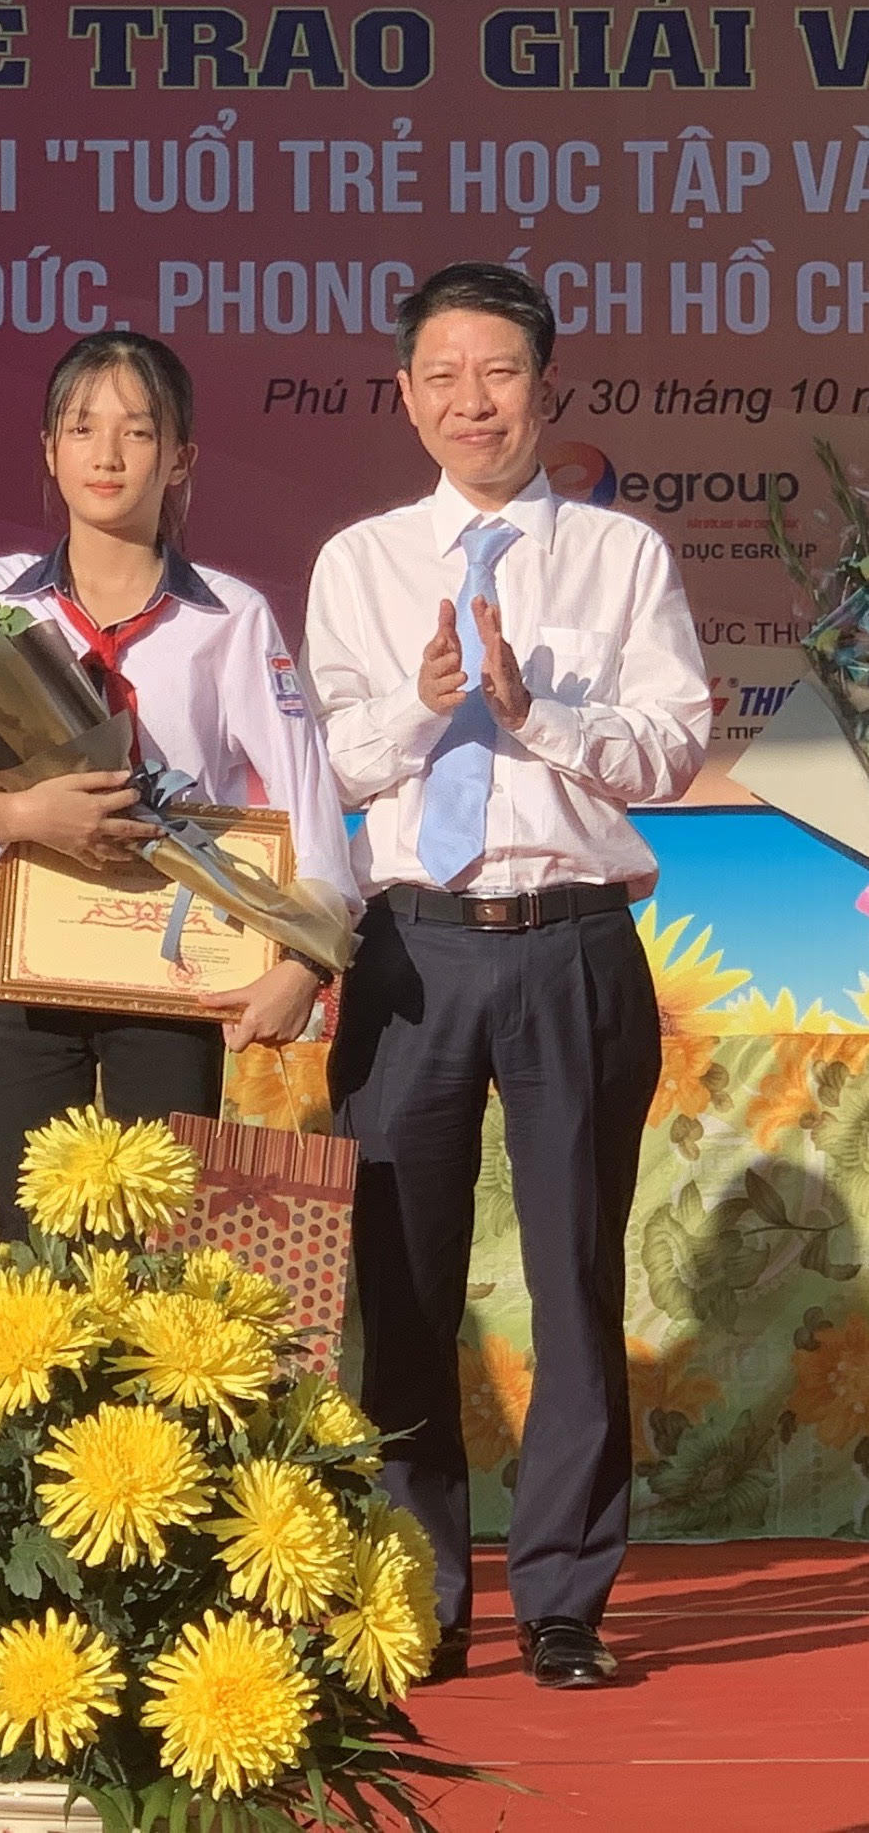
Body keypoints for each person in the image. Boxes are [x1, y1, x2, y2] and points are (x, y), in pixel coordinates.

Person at [303, 261, 709, 1690]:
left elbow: (671, 748)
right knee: (399, 1280)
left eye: (496, 373)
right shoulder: (358, 563)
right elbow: (327, 763)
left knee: (572, 1275)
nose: (470, 401)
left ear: (545, 388)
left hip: (570, 941)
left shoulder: (620, 558)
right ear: (403, 397)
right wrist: (422, 712)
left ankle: (562, 1600)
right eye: (442, 376)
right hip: (409, 949)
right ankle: (412, 1592)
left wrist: (540, 714)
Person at [0, 331, 358, 1244]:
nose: (107, 454)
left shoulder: (230, 617)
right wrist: (28, 814)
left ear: (180, 459)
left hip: (174, 965)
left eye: (136, 430)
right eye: (81, 428)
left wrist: (304, 962)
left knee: (160, 1245)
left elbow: (307, 797)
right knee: (35, 1241)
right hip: (25, 955)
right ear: (49, 450)